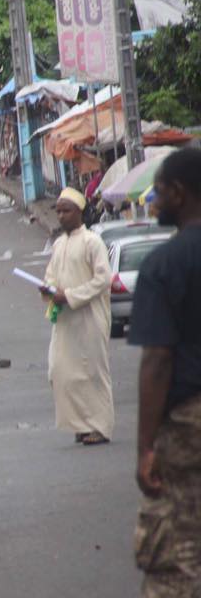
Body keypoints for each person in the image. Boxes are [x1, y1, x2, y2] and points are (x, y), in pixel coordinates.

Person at [127, 149, 201, 597]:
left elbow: (157, 360)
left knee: (177, 554)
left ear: (179, 192)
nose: (152, 201)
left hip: (189, 424)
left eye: (157, 192)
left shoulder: (164, 265)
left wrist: (145, 448)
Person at [42, 187, 114, 446]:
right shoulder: (59, 243)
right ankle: (82, 424)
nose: (60, 216)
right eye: (58, 211)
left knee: (92, 373)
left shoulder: (92, 241)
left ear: (79, 212)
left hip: (89, 318)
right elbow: (51, 275)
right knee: (60, 371)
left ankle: (100, 426)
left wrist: (70, 295)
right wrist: (48, 289)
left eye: (66, 210)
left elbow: (103, 279)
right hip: (64, 320)